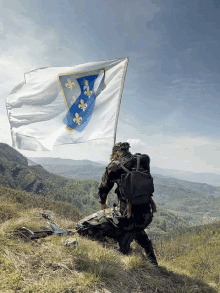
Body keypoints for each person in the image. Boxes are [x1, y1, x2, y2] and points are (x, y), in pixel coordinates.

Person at [98, 142, 158, 266]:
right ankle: (153, 261)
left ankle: (124, 252)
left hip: (127, 215)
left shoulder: (114, 166)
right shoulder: (144, 160)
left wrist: (103, 203)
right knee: (139, 230)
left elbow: (103, 189)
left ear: (115, 153)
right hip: (146, 212)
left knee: (112, 225)